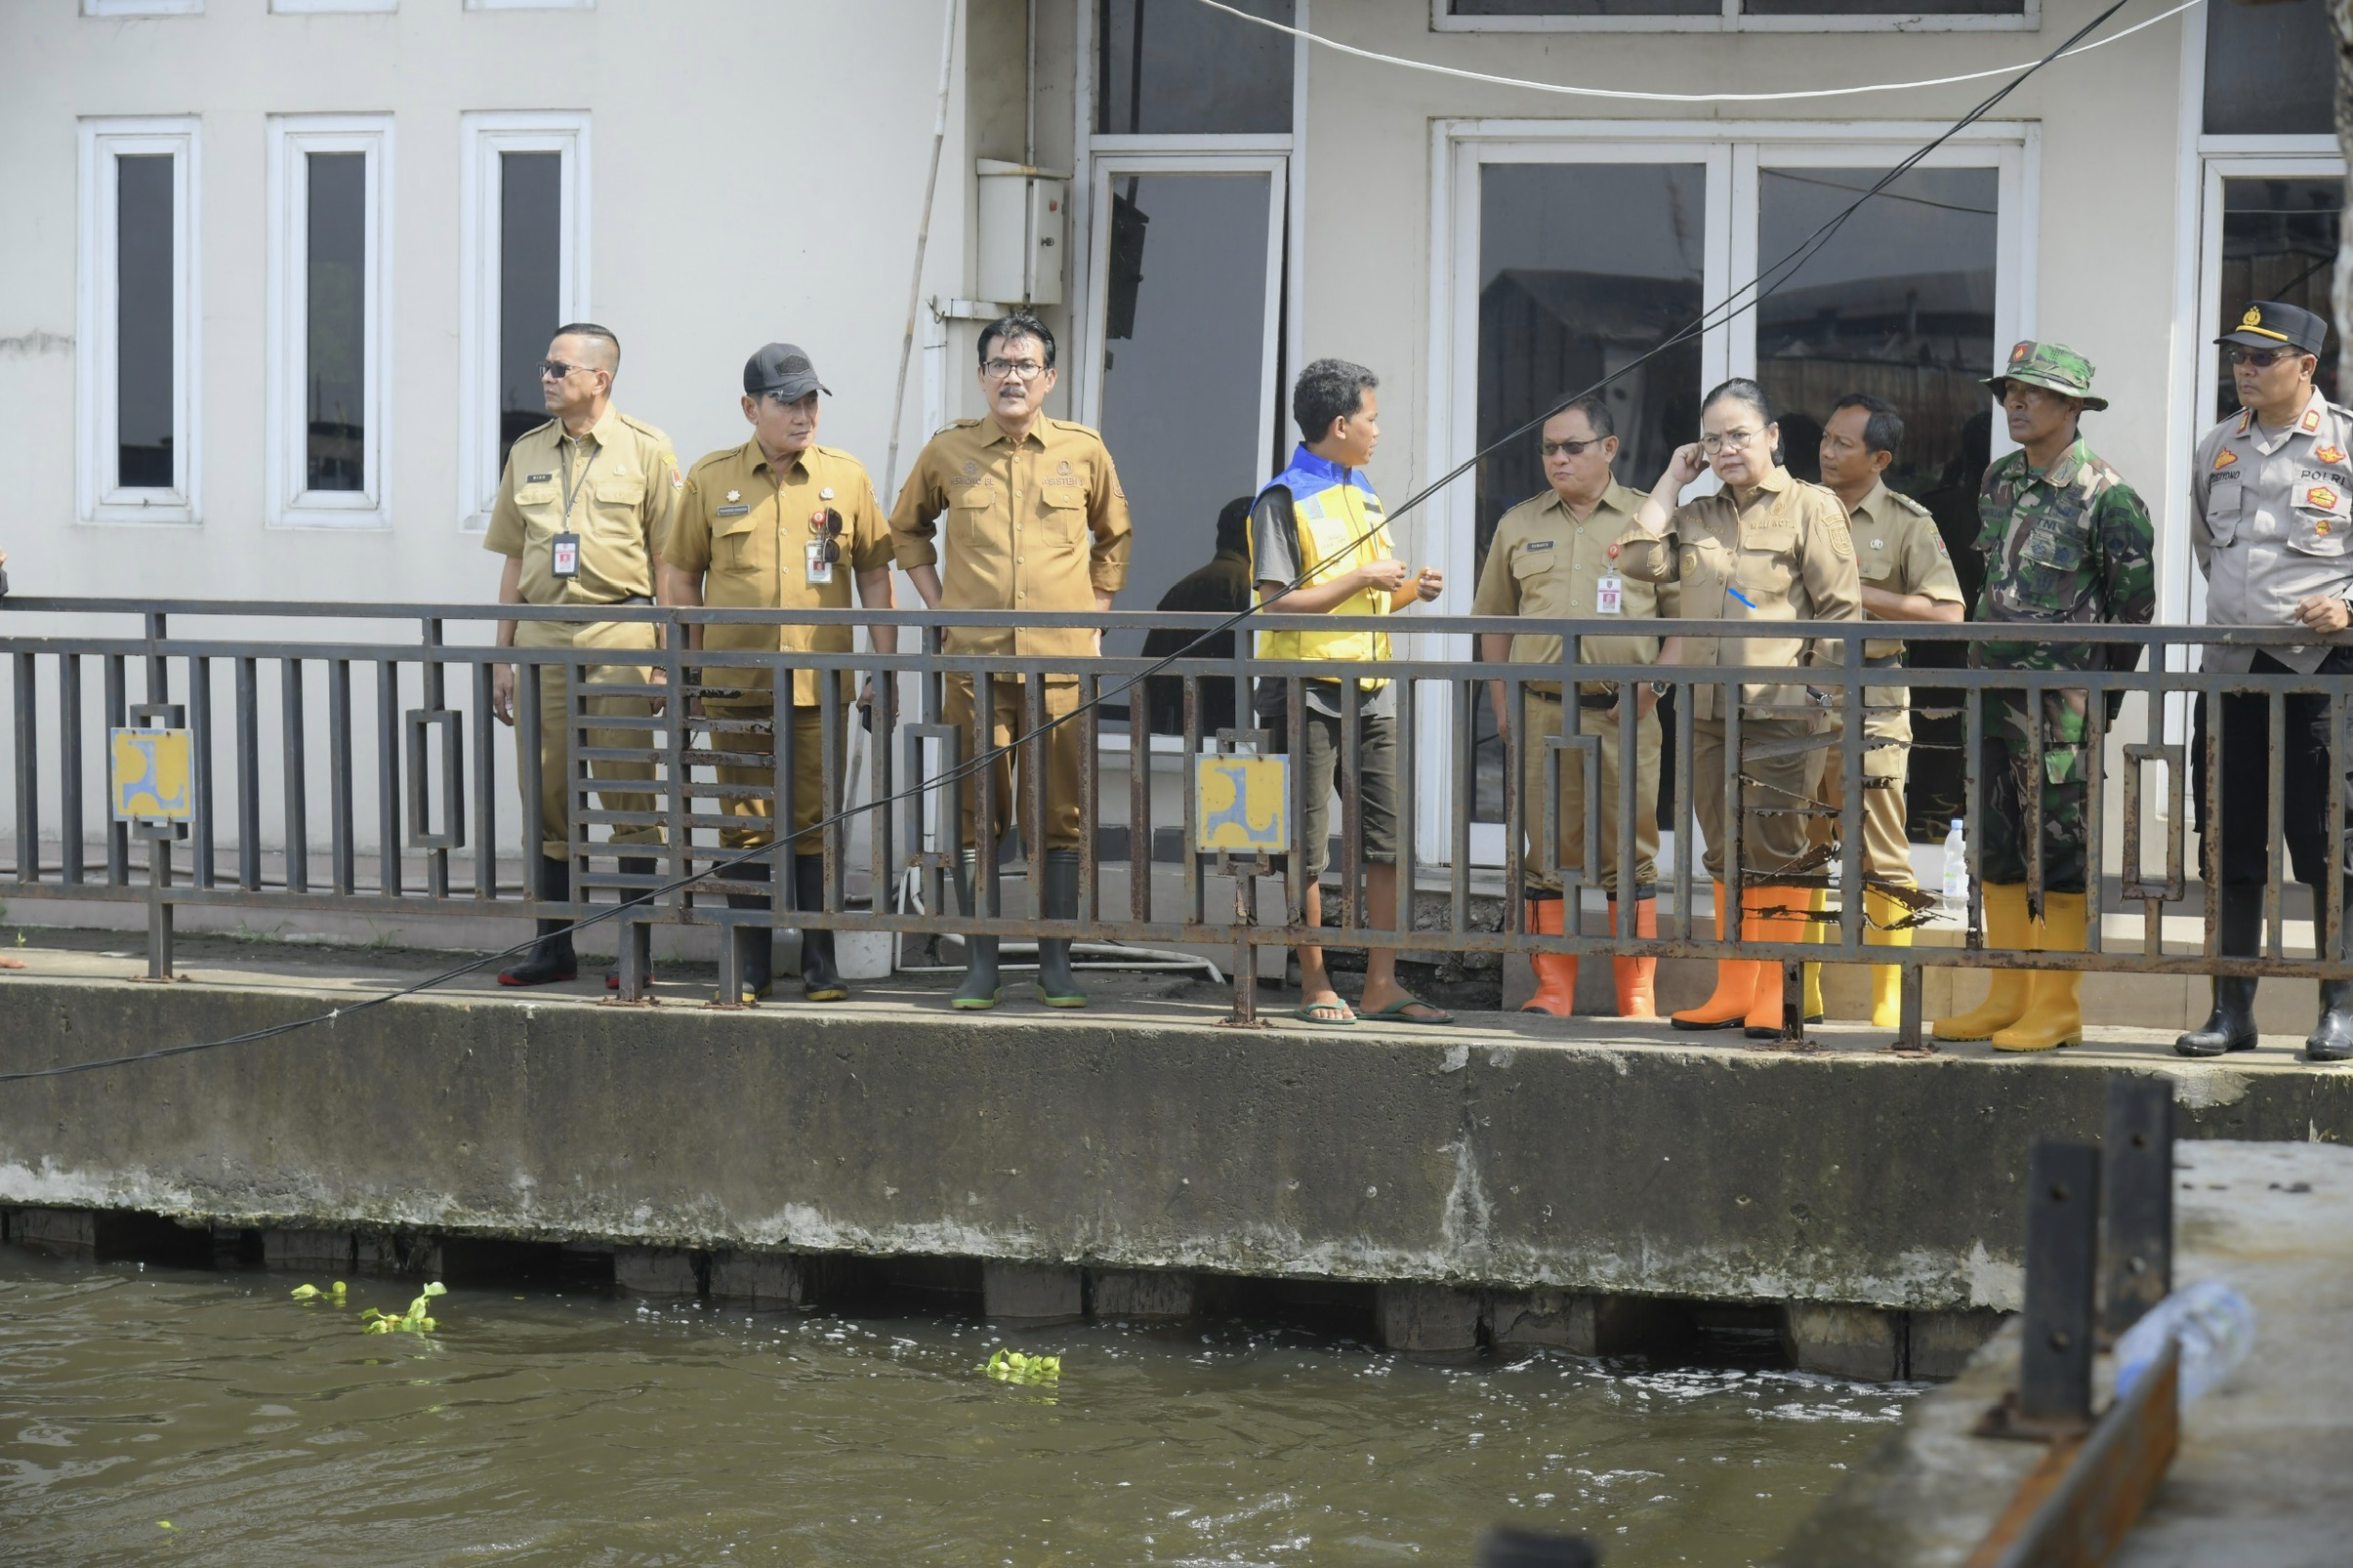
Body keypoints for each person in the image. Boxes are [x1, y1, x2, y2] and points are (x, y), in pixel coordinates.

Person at [889, 311, 1132, 1011]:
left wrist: (1096, 619)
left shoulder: (1083, 451)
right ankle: (980, 965)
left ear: (1049, 378)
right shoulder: (949, 452)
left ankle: (1055, 964)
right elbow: (906, 528)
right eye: (1000, 364)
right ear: (981, 375)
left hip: (1059, 669)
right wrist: (938, 605)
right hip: (975, 668)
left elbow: (1114, 534)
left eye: (1026, 365)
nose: (1013, 376)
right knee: (975, 817)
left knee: (1061, 816)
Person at [1615, 378, 1863, 1040]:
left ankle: (1775, 991)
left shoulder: (1814, 507)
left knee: (1777, 850)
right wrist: (1670, 479)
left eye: (1739, 434)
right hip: (1706, 713)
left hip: (1784, 714)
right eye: (1713, 438)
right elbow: (1637, 560)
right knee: (1723, 850)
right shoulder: (1696, 516)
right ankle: (1732, 984)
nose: (1726, 449)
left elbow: (1841, 615)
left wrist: (1818, 697)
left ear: (1773, 436)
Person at [658, 344, 897, 1005]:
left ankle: (821, 963)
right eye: (788, 401)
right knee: (745, 820)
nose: (803, 414)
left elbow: (875, 574)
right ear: (750, 408)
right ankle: (750, 963)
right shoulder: (712, 479)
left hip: (819, 688)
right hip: (735, 686)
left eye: (811, 400)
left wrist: (882, 666)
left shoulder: (845, 478)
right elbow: (680, 578)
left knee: (818, 820)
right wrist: (686, 672)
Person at [1932, 342, 2154, 1052]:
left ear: (2074, 408)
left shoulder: (2107, 495)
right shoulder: (1998, 480)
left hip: (2062, 704)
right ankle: (2008, 992)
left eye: (2033, 393)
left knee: (2060, 851)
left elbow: (2133, 614)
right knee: (1995, 847)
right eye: (2009, 393)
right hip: (1992, 691)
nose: (2015, 405)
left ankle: (2057, 1002)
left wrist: (2098, 705)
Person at [2178, 301, 2353, 1063]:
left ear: (2305, 367)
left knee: (2329, 849)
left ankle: (2339, 1008)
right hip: (2233, 670)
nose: (2243, 369)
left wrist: (2350, 605)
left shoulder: (2346, 444)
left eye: (2260, 357)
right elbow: (2207, 549)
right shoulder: (2219, 446)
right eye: (2237, 356)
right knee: (2229, 842)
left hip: (2322, 676)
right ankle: (2231, 1009)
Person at [1250, 358, 1449, 1026]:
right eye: (1370, 418)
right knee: (1305, 843)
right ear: (1340, 424)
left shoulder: (1362, 490)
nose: (1378, 430)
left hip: (1369, 687)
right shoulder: (1281, 498)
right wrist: (1364, 573)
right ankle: (1314, 983)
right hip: (1303, 689)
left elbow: (1366, 604)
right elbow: (1274, 604)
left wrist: (1406, 591)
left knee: (1386, 840)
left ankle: (1382, 984)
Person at [1472, 397, 1680, 1018]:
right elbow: (1494, 623)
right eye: (1548, 449)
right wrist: (1502, 705)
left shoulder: (1649, 519)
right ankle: (1552, 989)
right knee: (1548, 849)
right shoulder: (1518, 522)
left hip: (1626, 711)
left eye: (1573, 447)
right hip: (1541, 710)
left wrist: (1655, 686)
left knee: (1630, 850)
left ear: (1609, 449)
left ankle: (1635, 993)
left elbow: (1685, 623)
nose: (1558, 459)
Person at [484, 323, 679, 988]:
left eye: (560, 367)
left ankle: (635, 953)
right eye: (545, 365)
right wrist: (502, 655)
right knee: (546, 795)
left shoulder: (646, 450)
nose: (546, 376)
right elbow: (515, 556)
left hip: (619, 632)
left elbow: (668, 562)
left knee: (628, 791)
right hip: (541, 635)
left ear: (601, 378)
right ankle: (553, 945)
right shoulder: (528, 451)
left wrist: (663, 658)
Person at [1804, 393, 1963, 1027]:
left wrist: (1860, 592)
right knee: (1799, 846)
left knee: (1881, 846)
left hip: (1872, 696)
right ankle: (1803, 988)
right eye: (1825, 438)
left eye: (1844, 444)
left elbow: (1949, 615)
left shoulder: (1906, 522)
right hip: (1795, 695)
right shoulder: (1789, 511)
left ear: (1879, 458)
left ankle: (1888, 996)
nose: (1827, 450)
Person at [1138, 495, 1255, 738]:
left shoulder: (1183, 586)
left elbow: (1151, 671)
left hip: (1178, 731)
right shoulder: (1253, 589)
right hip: (1235, 732)